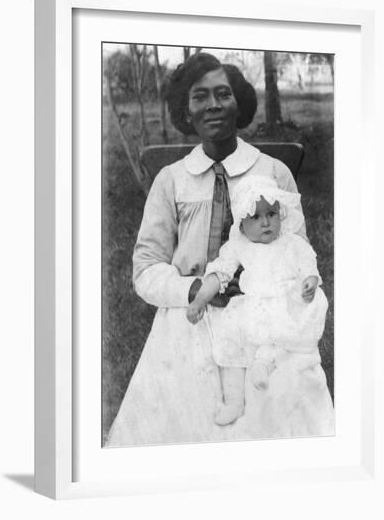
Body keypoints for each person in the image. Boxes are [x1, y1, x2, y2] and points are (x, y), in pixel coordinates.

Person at [106, 52, 334, 447]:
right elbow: (145, 269)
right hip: (188, 319)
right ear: (185, 110)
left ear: (238, 103)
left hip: (264, 319)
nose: (213, 104)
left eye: (223, 93)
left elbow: (298, 251)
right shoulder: (171, 180)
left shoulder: (272, 172)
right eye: (200, 96)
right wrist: (194, 290)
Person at [186, 175, 329, 426]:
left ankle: (265, 362)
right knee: (230, 338)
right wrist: (199, 300)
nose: (266, 222)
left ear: (280, 214)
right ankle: (234, 400)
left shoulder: (291, 242)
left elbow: (308, 262)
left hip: (284, 301)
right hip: (253, 303)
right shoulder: (239, 246)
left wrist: (310, 280)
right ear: (241, 224)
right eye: (255, 216)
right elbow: (219, 273)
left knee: (279, 333)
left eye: (272, 214)